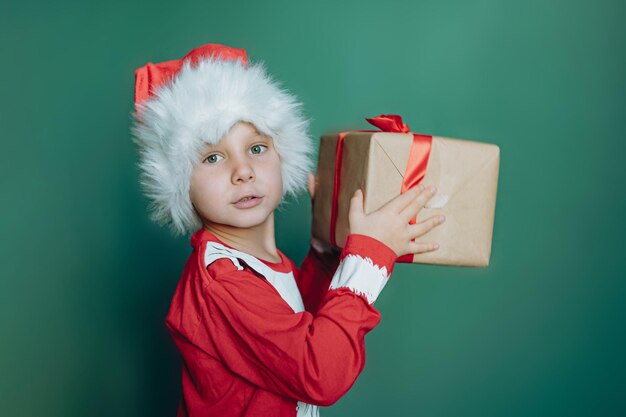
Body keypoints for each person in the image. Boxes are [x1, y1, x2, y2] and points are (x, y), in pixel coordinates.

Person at [131, 43, 445, 417]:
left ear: (284, 158)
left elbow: (293, 329)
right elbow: (319, 372)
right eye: (213, 157)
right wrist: (369, 257)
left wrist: (327, 255)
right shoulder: (222, 280)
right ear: (181, 184)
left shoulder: (257, 262)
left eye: (258, 148)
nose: (243, 170)